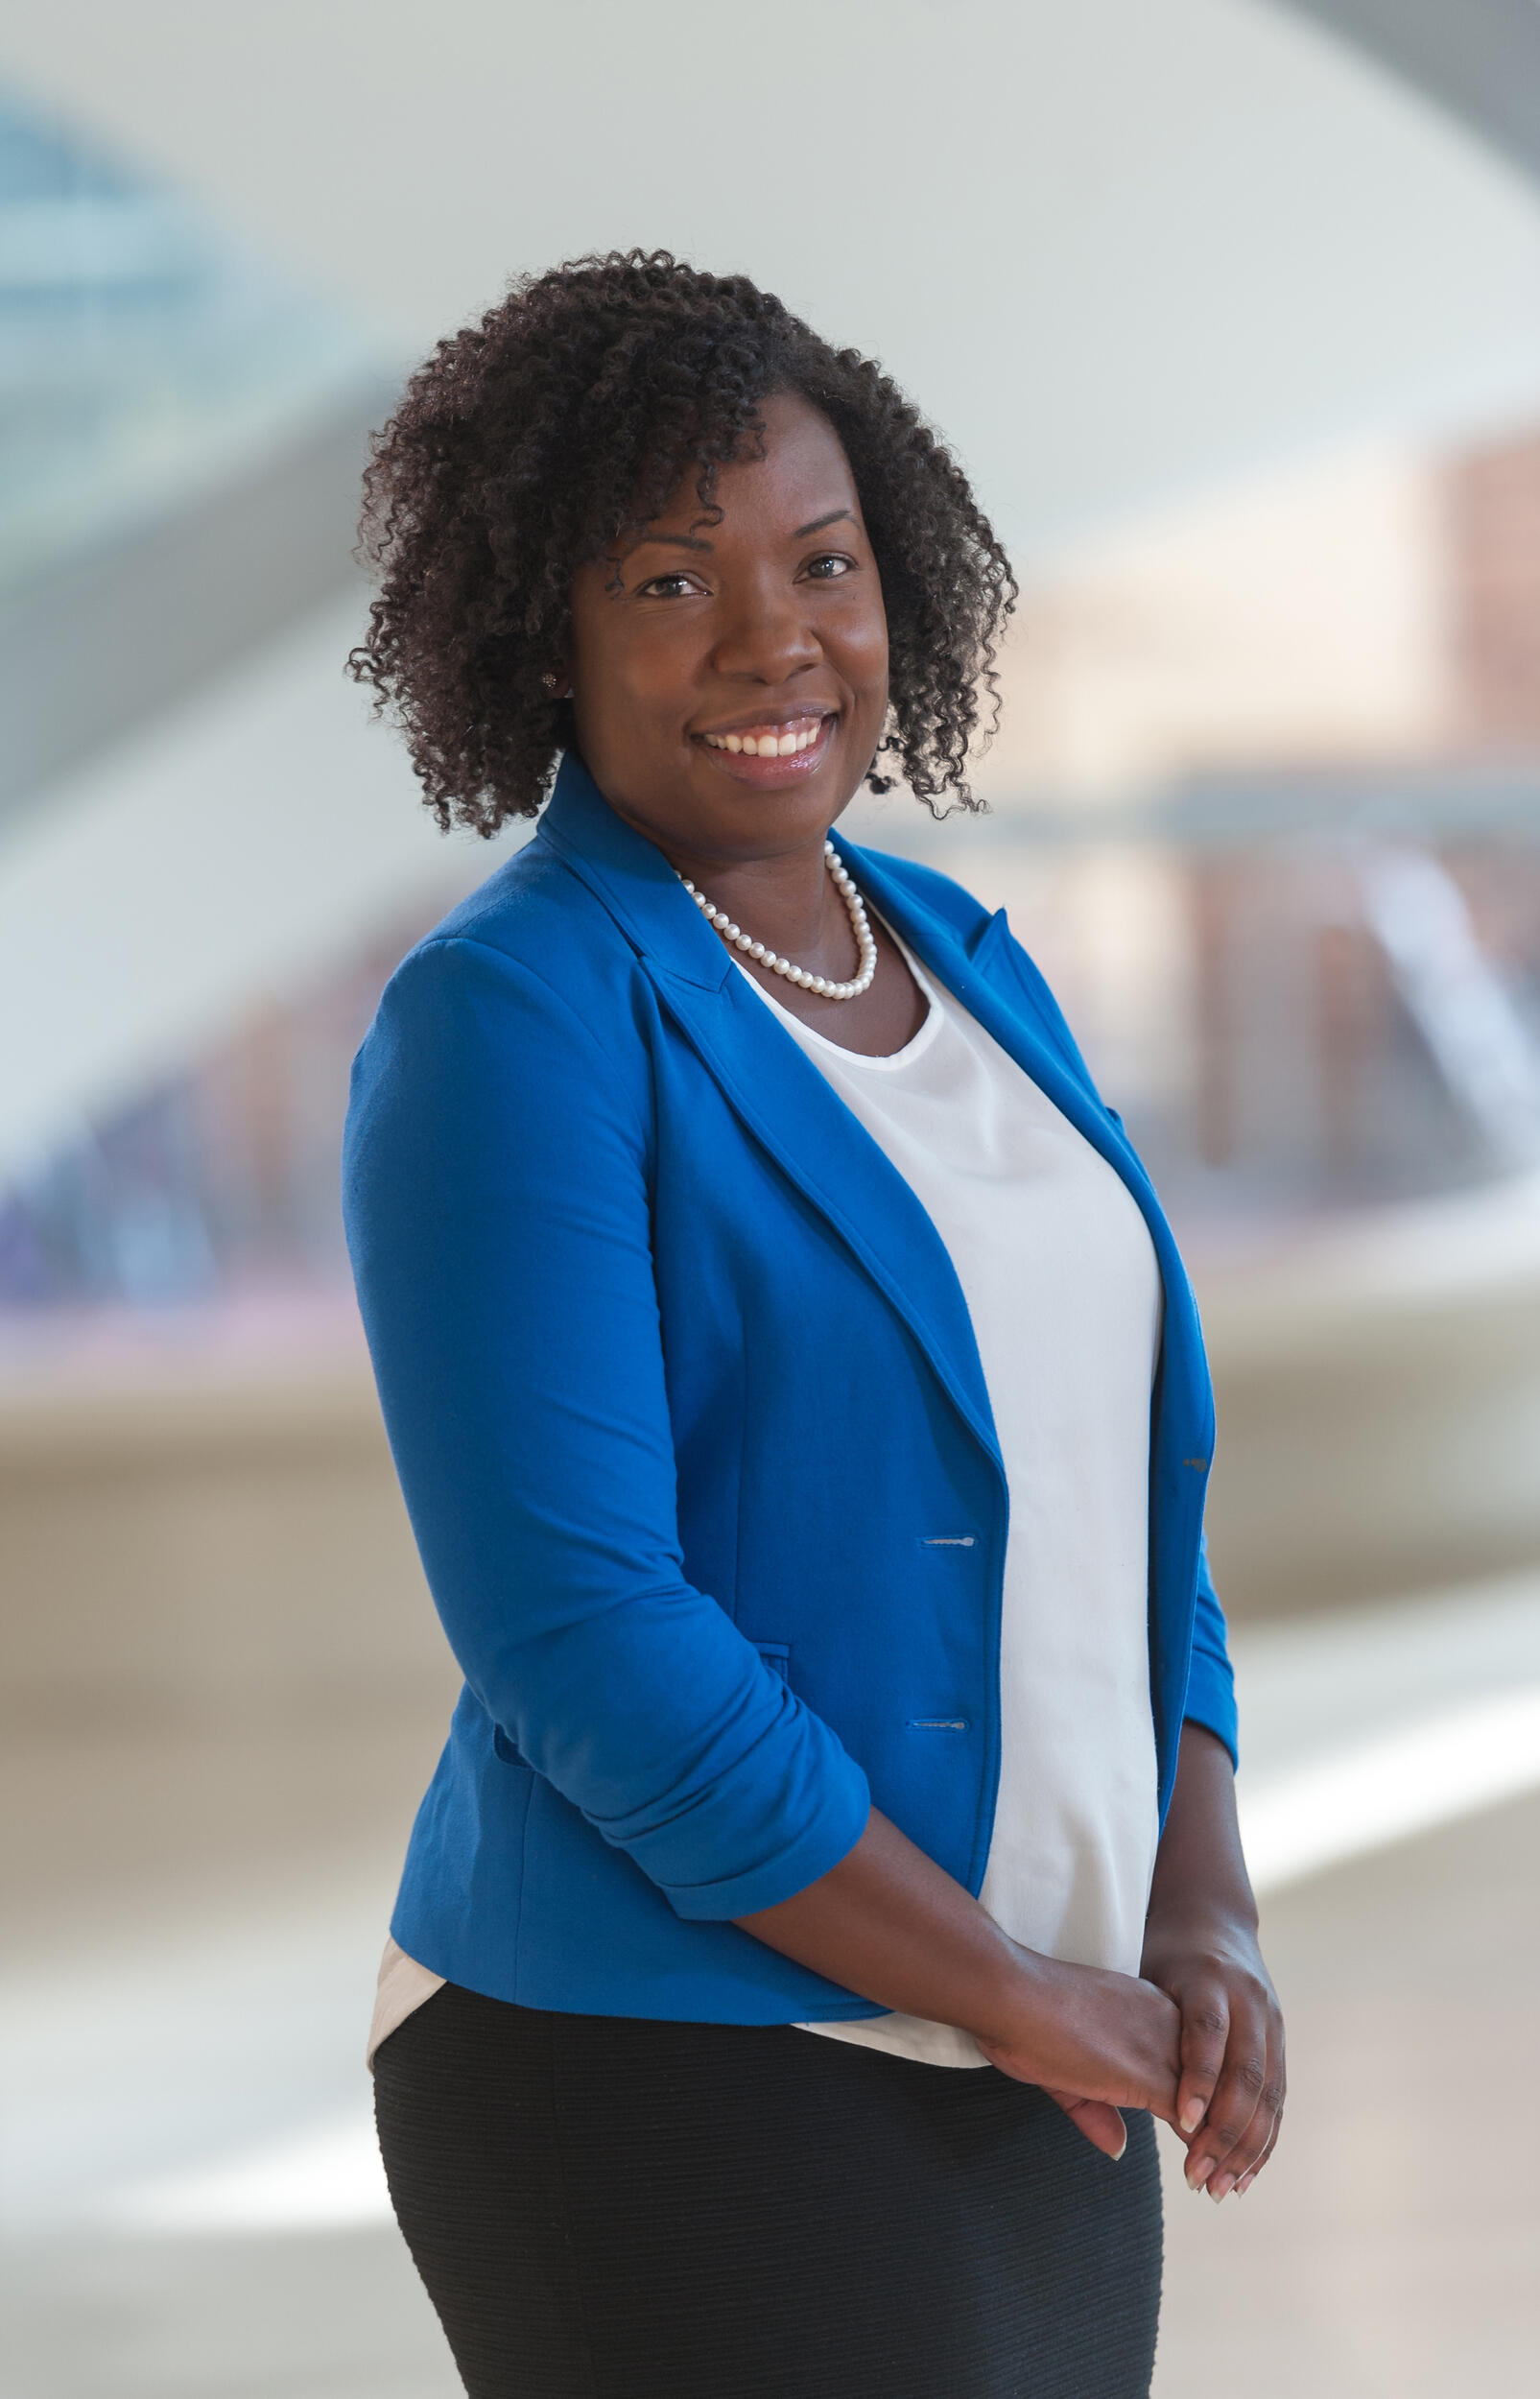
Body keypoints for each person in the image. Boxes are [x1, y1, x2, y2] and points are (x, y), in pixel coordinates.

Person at [344, 250, 1285, 2399]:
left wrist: (1192, 1908)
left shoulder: (965, 959)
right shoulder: (514, 1015)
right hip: (669, 2063)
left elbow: (1119, 1498)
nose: (774, 638)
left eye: (823, 561)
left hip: (1031, 2038)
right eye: (670, 581)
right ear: (544, 637)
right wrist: (1014, 1988)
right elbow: (584, 1635)